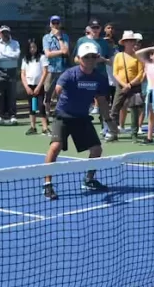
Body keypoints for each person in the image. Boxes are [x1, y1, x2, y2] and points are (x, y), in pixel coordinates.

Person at [43, 42, 113, 200]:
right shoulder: (69, 74)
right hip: (64, 115)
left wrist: (108, 119)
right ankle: (47, 184)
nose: (89, 60)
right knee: (55, 146)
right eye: (86, 57)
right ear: (80, 59)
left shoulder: (99, 79)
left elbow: (101, 101)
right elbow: (57, 91)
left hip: (82, 118)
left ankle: (89, 180)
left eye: (93, 57)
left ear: (97, 59)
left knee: (96, 150)